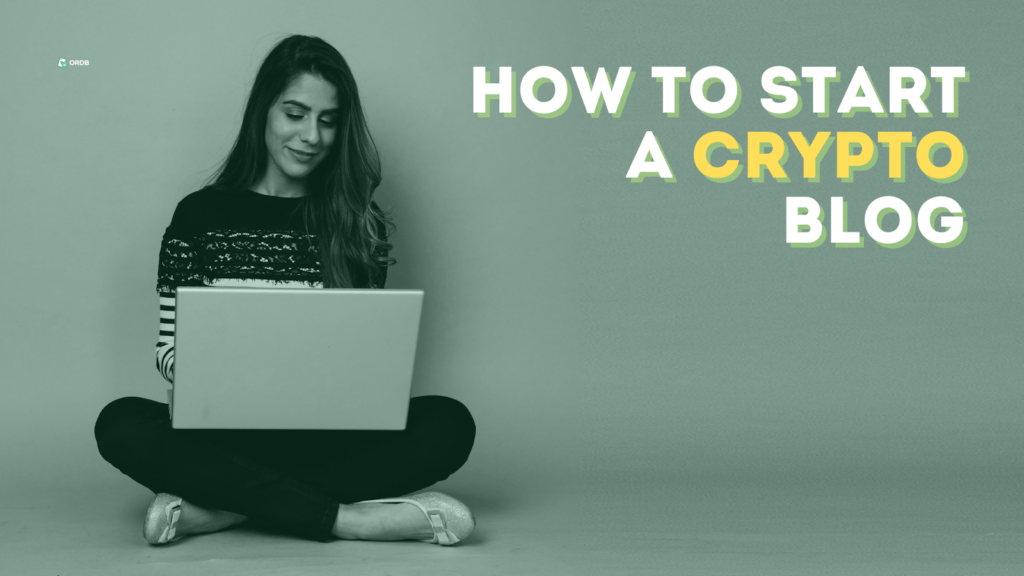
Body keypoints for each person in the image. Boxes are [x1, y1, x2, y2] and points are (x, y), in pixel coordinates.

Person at [93, 34, 477, 546]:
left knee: (450, 423)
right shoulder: (197, 216)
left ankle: (225, 508)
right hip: (220, 435)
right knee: (119, 423)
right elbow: (167, 350)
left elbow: (366, 363)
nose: (311, 136)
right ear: (263, 112)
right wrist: (218, 369)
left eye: (328, 119)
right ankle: (347, 519)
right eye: (295, 113)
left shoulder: (359, 224)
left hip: (323, 441)